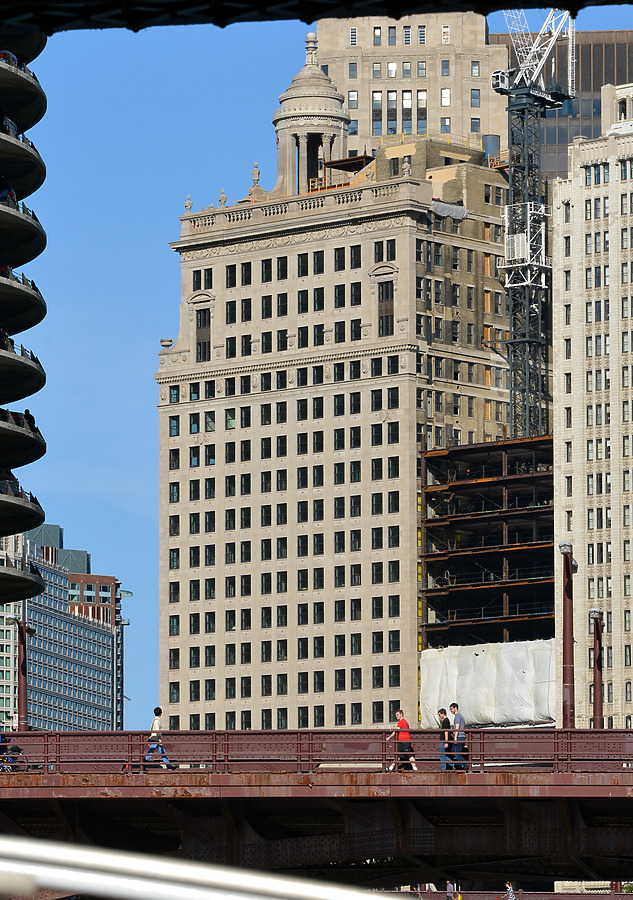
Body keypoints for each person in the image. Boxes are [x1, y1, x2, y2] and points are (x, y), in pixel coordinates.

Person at [143, 706, 175, 770]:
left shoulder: (154, 720)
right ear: (160, 713)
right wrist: (159, 740)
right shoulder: (157, 721)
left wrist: (149, 739)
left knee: (160, 752)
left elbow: (152, 730)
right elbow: (157, 731)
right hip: (156, 739)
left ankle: (168, 766)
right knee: (151, 753)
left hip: (154, 738)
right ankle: (143, 764)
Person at [450, 702, 468, 771]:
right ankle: (458, 767)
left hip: (459, 737)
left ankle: (465, 764)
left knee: (456, 754)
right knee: (455, 752)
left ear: (455, 708)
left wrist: (455, 738)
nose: (451, 710)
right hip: (461, 736)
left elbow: (457, 727)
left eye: (451, 709)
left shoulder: (457, 716)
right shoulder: (460, 716)